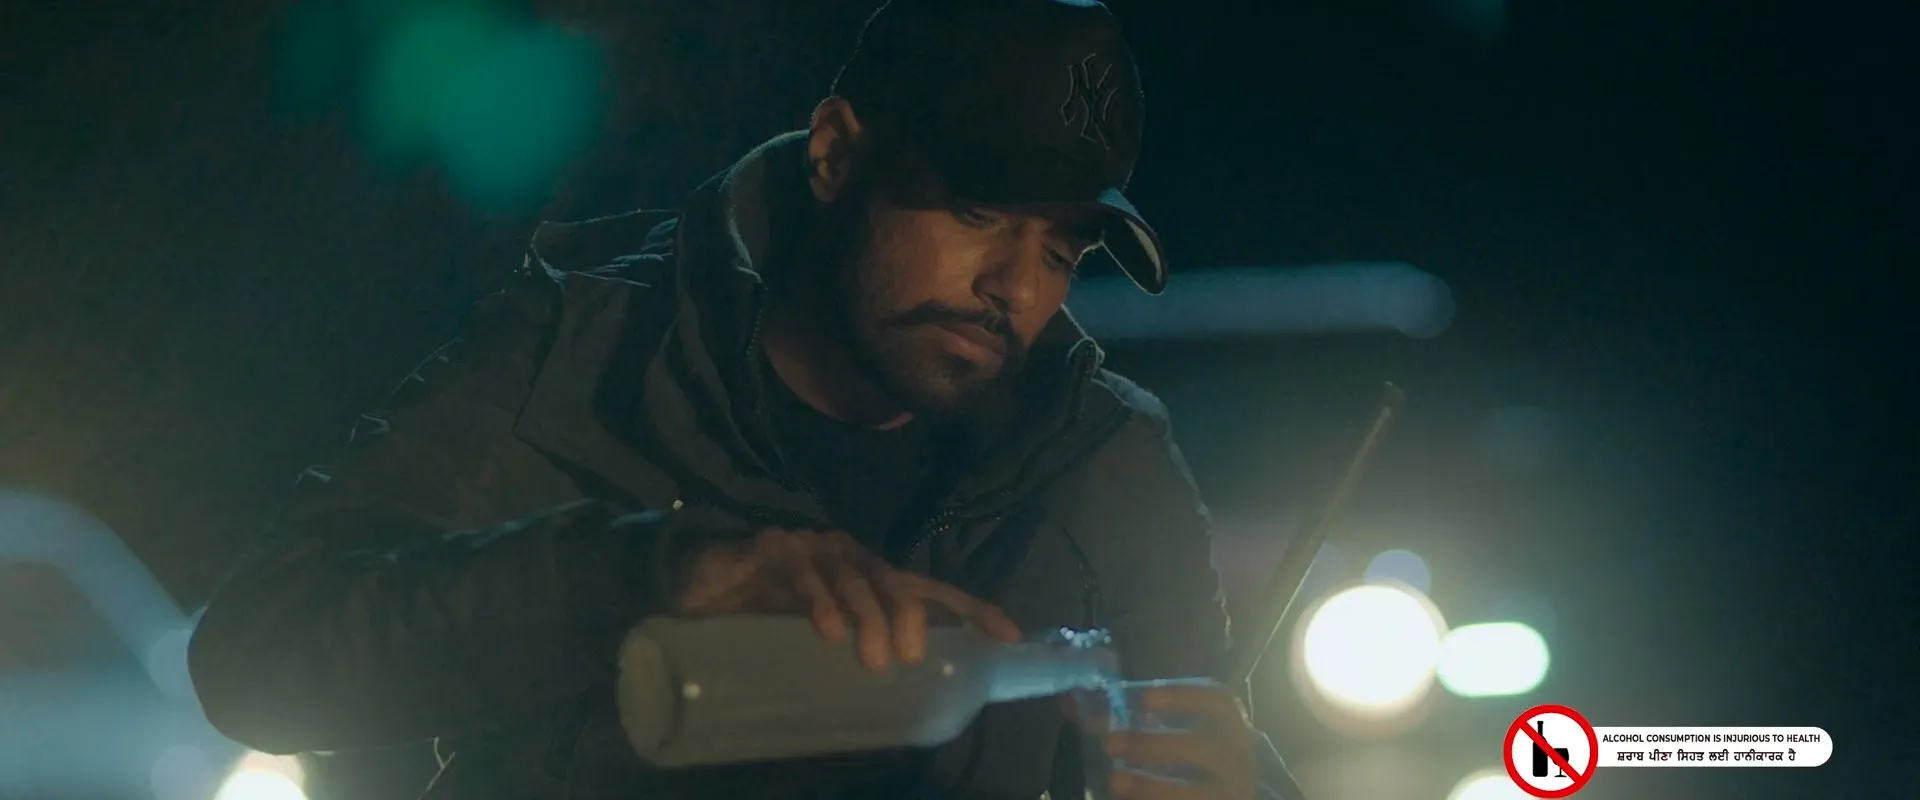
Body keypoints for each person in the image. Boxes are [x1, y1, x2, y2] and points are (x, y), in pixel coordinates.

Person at [188, 0, 1306, 798]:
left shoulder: (1100, 461)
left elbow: (1195, 750)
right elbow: (257, 660)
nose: (1015, 288)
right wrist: (651, 575)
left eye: (1061, 249)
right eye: (976, 212)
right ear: (836, 155)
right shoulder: (587, 357)